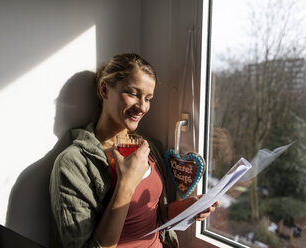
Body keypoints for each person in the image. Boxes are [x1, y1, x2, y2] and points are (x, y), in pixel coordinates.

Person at [49, 53, 218, 248]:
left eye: (148, 98)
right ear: (105, 89)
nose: (142, 107)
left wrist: (182, 209)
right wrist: (126, 183)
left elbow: (148, 218)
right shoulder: (73, 164)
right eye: (133, 93)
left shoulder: (149, 148)